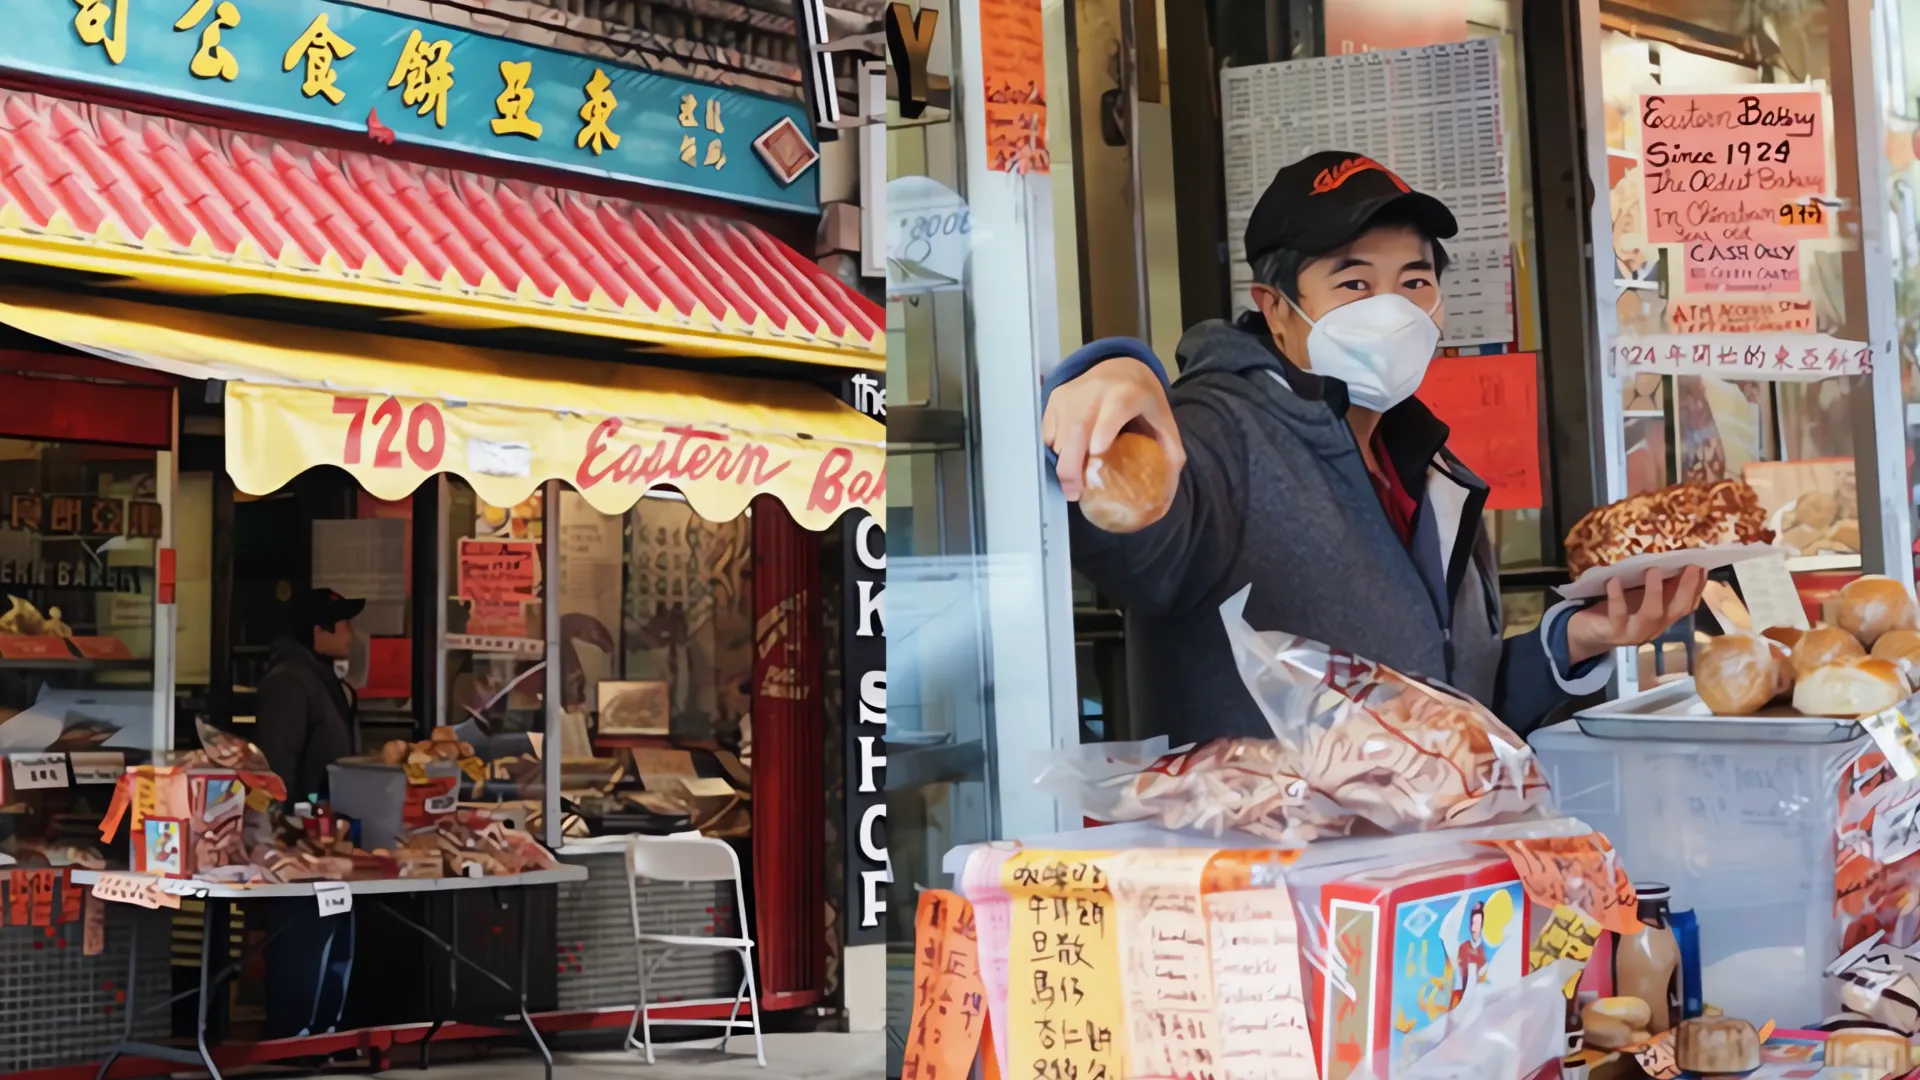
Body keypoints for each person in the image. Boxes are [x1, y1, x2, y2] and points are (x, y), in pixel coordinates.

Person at [1042, 151, 1704, 742]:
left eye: (1415, 282)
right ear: (1274, 307)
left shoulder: (1435, 469)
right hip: (1267, 869)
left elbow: (1456, 707)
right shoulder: (1213, 438)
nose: (1394, 310)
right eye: (1354, 284)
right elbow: (1126, 535)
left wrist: (1575, 641)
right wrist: (1115, 378)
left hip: (1422, 870)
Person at [253, 587, 363, 1040]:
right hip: (301, 841)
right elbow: (274, 770)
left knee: (336, 935)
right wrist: (283, 831)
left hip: (332, 838)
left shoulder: (321, 678)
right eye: (345, 625)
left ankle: (324, 1033)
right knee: (304, 939)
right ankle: (294, 1038)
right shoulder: (288, 682)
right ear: (318, 631)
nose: (352, 635)